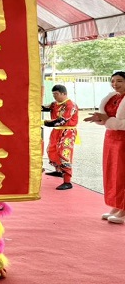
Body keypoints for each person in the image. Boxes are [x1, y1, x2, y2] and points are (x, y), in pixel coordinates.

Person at [83, 71, 125, 224]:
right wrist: (99, 119)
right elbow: (107, 118)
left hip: (123, 139)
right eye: (112, 81)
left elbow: (115, 120)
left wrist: (108, 120)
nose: (115, 84)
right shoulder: (112, 97)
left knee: (122, 173)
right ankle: (117, 205)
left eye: (119, 81)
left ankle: (124, 210)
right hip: (111, 138)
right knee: (112, 172)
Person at [42, 84, 79, 190]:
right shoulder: (54, 104)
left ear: (64, 93)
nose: (54, 96)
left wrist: (43, 122)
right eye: (53, 94)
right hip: (56, 131)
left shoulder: (70, 105)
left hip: (67, 131)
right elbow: (42, 107)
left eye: (56, 94)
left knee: (64, 154)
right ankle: (58, 171)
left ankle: (67, 181)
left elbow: (61, 121)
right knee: (52, 150)